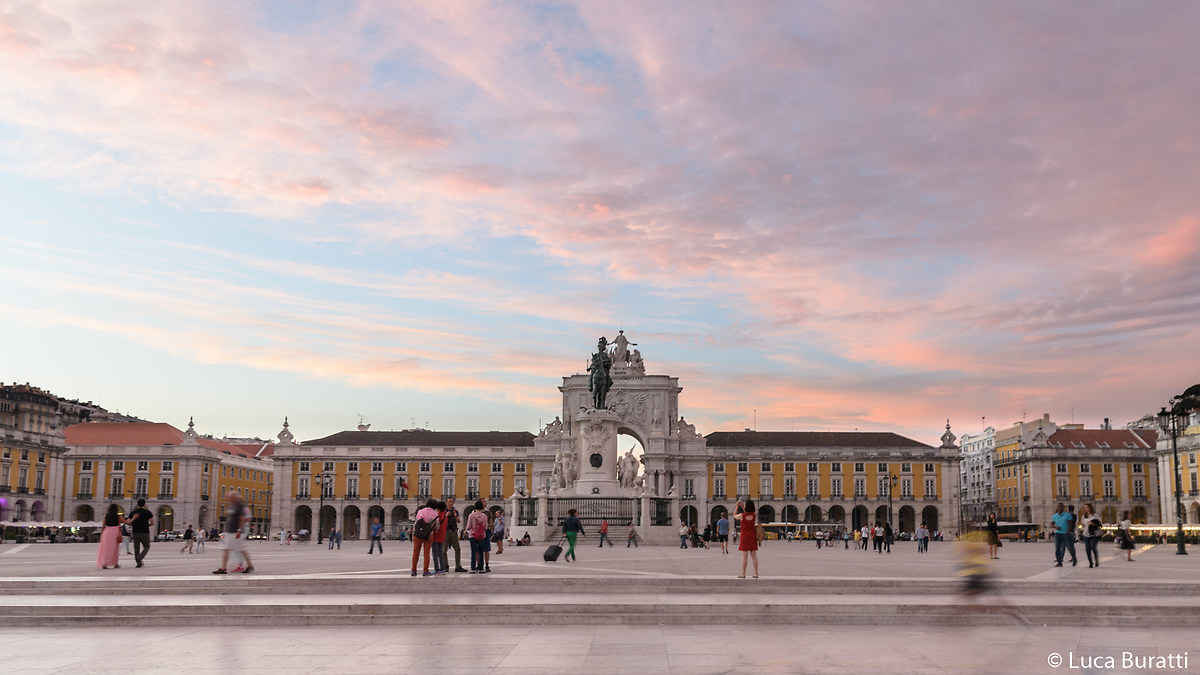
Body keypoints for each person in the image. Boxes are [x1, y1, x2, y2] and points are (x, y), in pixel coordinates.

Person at [213, 491, 253, 574]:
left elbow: (243, 519)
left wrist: (239, 530)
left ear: (235, 497)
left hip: (236, 531)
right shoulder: (231, 506)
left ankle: (249, 565)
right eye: (228, 497)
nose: (229, 499)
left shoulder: (240, 507)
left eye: (230, 497)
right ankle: (224, 568)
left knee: (240, 549)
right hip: (229, 531)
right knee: (226, 549)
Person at [411, 499, 438, 576]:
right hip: (428, 536)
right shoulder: (435, 514)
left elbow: (416, 522)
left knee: (415, 552)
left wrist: (414, 532)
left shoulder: (420, 511)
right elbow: (437, 527)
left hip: (418, 534)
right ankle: (425, 570)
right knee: (426, 554)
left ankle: (413, 570)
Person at [733, 500, 759, 578]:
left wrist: (737, 506)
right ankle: (756, 573)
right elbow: (748, 513)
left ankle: (743, 573)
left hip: (744, 537)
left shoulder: (742, 515)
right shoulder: (754, 515)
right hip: (752, 536)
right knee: (754, 555)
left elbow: (734, 515)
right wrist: (743, 507)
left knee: (744, 556)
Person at [126, 498, 154, 568]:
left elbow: (128, 523)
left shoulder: (133, 513)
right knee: (147, 546)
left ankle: (138, 563)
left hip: (135, 532)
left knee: (136, 548)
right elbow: (152, 523)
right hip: (145, 532)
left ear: (137, 504)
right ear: (144, 504)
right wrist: (147, 525)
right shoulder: (148, 512)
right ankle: (140, 558)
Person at [96, 504, 123, 569]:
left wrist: (102, 535)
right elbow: (127, 522)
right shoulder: (118, 516)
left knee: (106, 548)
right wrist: (133, 519)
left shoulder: (106, 516)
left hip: (107, 531)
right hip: (115, 531)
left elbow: (103, 526)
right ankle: (115, 563)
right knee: (114, 548)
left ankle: (104, 563)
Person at [465, 500, 489, 573]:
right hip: (481, 535)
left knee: (473, 552)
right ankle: (481, 568)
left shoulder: (471, 515)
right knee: (481, 551)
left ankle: (473, 568)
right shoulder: (484, 516)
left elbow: (469, 526)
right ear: (482, 507)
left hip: (473, 535)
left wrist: (466, 530)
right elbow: (485, 527)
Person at [1050, 502, 1075, 567]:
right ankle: (1059, 562)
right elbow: (1051, 524)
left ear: (1063, 508)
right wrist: (1056, 527)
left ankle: (1074, 559)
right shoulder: (1054, 516)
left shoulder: (1068, 515)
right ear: (1057, 508)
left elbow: (1070, 524)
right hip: (1058, 534)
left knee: (1070, 548)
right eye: (1059, 507)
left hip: (1066, 534)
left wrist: (1068, 532)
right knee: (1058, 548)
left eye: (1061, 507)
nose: (1060, 508)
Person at [445, 497, 466, 572]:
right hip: (446, 531)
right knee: (444, 550)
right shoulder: (444, 511)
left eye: (452, 502)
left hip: (453, 531)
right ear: (446, 502)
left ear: (453, 502)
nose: (450, 503)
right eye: (449, 502)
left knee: (457, 549)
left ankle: (458, 566)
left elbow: (459, 521)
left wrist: (455, 516)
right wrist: (446, 515)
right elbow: (441, 521)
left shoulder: (455, 511)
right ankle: (445, 565)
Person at [1081, 503, 1102, 568]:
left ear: (1090, 507)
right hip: (1086, 533)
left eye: (1087, 507)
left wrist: (1093, 523)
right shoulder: (1083, 516)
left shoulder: (1095, 515)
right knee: (1087, 549)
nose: (1085, 509)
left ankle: (1096, 561)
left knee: (1093, 547)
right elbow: (1084, 525)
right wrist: (1080, 524)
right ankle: (1090, 562)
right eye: (1084, 508)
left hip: (1094, 534)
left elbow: (1100, 524)